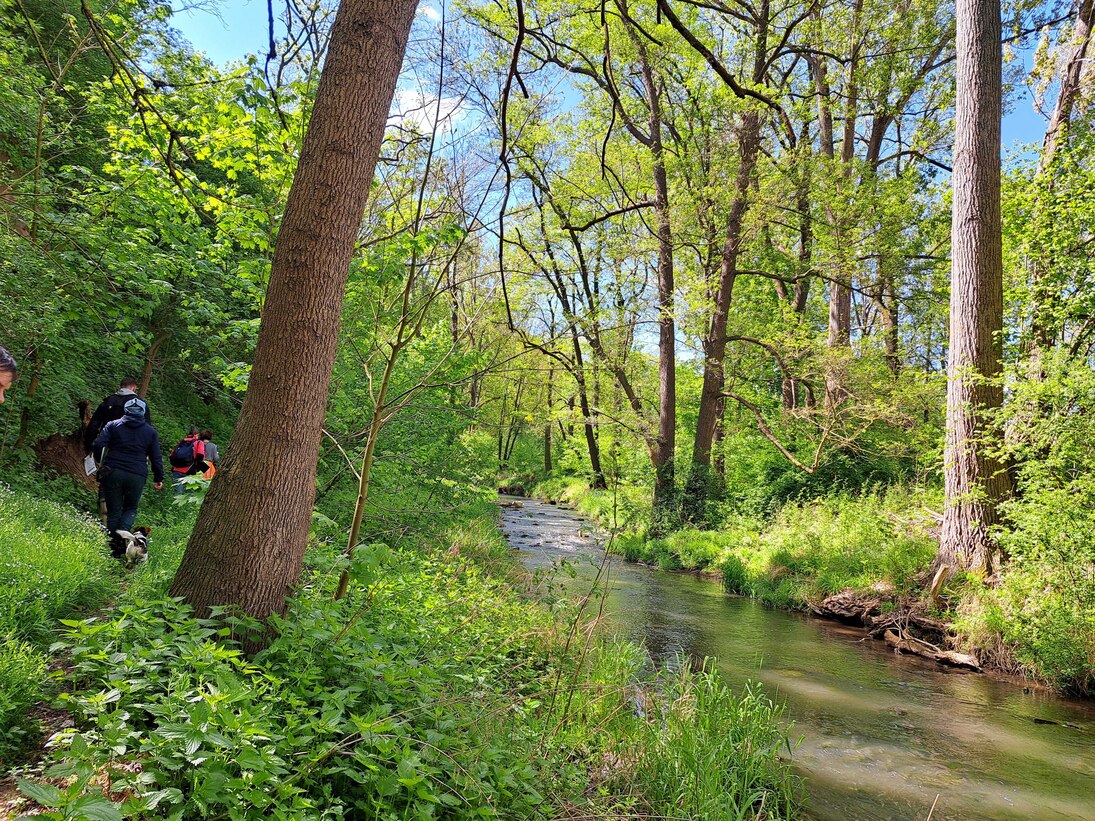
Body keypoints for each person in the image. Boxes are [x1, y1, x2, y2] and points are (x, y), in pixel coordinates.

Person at [92, 398, 164, 558]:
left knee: (114, 511)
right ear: (143, 413)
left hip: (113, 471)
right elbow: (156, 457)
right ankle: (121, 539)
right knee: (130, 508)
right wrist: (158, 478)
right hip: (137, 475)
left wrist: (100, 461)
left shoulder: (113, 425)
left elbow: (98, 445)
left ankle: (113, 548)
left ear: (126, 411)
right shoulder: (150, 432)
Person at [84, 378, 153, 453]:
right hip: (131, 446)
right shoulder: (140, 404)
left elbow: (94, 424)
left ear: (120, 386)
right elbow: (147, 427)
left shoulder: (108, 401)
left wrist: (90, 444)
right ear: (133, 388)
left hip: (107, 444)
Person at [169, 426, 207, 493]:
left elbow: (171, 455)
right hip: (190, 470)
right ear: (197, 435)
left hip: (177, 469)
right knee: (190, 493)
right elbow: (200, 456)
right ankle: (189, 503)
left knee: (178, 493)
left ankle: (175, 503)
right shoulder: (199, 442)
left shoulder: (182, 442)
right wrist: (201, 469)